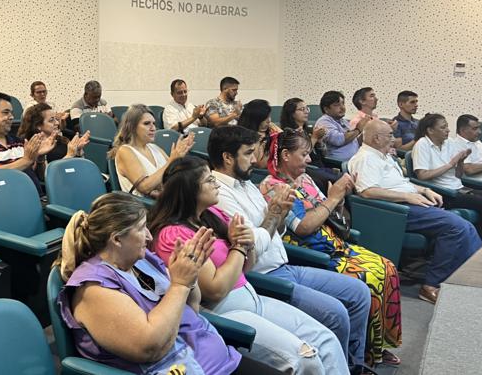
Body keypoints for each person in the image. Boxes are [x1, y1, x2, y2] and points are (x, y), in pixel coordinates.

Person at [150, 157, 350, 374]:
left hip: (253, 298)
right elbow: (215, 290)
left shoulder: (211, 215)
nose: (216, 183)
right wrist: (239, 247)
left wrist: (246, 245)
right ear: (190, 190)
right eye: (209, 180)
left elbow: (246, 266)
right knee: (304, 359)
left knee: (326, 341)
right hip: (225, 312)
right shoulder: (174, 235)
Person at [55, 192, 286, 375]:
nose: (149, 236)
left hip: (220, 361)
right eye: (141, 228)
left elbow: (192, 309)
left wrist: (190, 277)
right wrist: (179, 285)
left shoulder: (142, 261)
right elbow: (149, 346)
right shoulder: (93, 289)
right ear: (116, 239)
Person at [207, 125, 371, 371]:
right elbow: (251, 243)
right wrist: (274, 215)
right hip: (263, 275)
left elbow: (275, 232)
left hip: (284, 264)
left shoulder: (247, 183)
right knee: (336, 314)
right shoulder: (219, 195)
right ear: (228, 157)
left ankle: (352, 365)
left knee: (359, 293)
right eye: (248, 153)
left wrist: (281, 214)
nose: (255, 160)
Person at [261, 129, 402, 366]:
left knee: (387, 267)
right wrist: (333, 198)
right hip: (313, 253)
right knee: (369, 277)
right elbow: (303, 227)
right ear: (286, 155)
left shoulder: (305, 180)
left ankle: (375, 345)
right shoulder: (273, 187)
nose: (309, 159)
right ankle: (362, 354)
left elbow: (328, 212)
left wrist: (338, 199)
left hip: (335, 243)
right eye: (304, 154)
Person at [348, 119, 482, 304]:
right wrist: (407, 196)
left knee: (465, 226)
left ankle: (470, 279)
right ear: (377, 138)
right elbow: (367, 192)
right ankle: (431, 285)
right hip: (394, 210)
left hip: (409, 202)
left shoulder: (383, 156)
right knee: (456, 227)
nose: (394, 139)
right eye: (390, 135)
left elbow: (402, 183)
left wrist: (424, 190)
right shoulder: (365, 158)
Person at [412, 113, 482, 241]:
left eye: (447, 126)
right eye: (443, 127)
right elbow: (422, 176)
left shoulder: (449, 142)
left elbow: (458, 175)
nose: (448, 130)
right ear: (430, 130)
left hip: (458, 187)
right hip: (441, 192)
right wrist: (450, 164)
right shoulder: (422, 144)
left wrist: (461, 161)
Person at [111, 104, 194, 198]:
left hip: (165, 199)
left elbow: (172, 175)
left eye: (154, 123)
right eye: (147, 123)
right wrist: (172, 160)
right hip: (143, 205)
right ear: (132, 127)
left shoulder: (154, 148)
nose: (153, 128)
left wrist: (179, 158)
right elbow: (144, 187)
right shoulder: (125, 151)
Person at [18, 103, 91, 183]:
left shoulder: (62, 140)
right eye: (51, 120)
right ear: (38, 125)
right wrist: (69, 156)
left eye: (56, 119)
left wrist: (78, 150)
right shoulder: (32, 146)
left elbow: (77, 167)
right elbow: (45, 177)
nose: (57, 123)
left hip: (72, 179)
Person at [280, 98, 339, 193]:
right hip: (307, 169)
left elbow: (323, 154)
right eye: (302, 109)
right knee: (338, 181)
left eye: (307, 108)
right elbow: (302, 154)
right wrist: (314, 138)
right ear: (292, 113)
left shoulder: (308, 130)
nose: (306, 112)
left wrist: (320, 141)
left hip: (320, 166)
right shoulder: (288, 134)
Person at [314, 91, 363, 162]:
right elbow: (338, 140)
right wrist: (358, 129)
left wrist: (366, 132)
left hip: (355, 159)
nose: (342, 107)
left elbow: (354, 142)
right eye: (337, 105)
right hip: (338, 163)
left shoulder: (343, 121)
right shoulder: (323, 122)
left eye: (343, 103)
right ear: (326, 109)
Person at [237, 99, 281, 169]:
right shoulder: (244, 136)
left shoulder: (271, 128)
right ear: (255, 119)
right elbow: (260, 164)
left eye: (269, 116)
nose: (269, 120)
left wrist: (280, 134)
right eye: (265, 118)